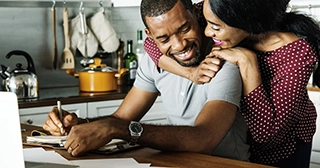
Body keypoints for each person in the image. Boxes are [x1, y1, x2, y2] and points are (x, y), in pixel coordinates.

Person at [43, 0, 250, 161]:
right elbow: (121, 119)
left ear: (196, 14)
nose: (179, 45)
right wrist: (80, 125)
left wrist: (117, 129)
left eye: (184, 29)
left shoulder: (224, 61)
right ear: (149, 36)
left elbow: (204, 138)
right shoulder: (153, 63)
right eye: (164, 39)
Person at [146, 0, 320, 167]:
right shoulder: (214, 7)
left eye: (215, 27)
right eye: (206, 23)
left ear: (244, 20)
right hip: (242, 141)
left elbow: (266, 136)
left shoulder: (297, 52)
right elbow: (151, 43)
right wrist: (191, 73)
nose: (206, 32)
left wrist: (247, 61)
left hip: (284, 147)